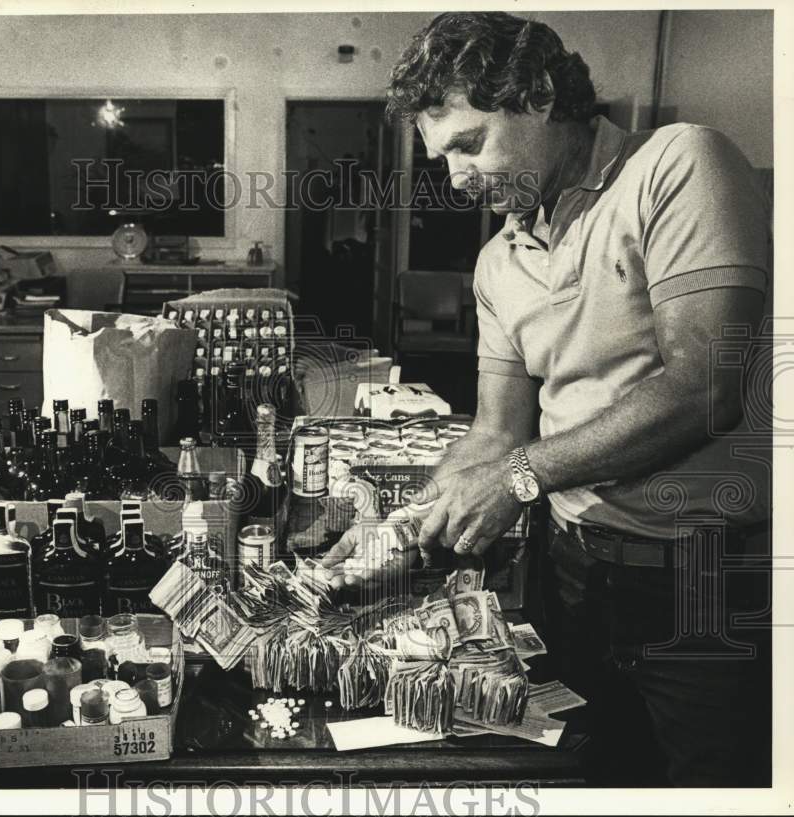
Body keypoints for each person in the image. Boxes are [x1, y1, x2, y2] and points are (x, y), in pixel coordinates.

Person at [322, 11, 771, 787]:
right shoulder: (500, 258)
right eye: (442, 156)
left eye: (469, 143)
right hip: (573, 574)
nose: (456, 177)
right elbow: (498, 432)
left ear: (534, 97)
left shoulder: (678, 165)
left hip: (699, 575)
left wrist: (520, 477)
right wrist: (402, 516)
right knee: (587, 777)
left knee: (711, 785)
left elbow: (705, 385)